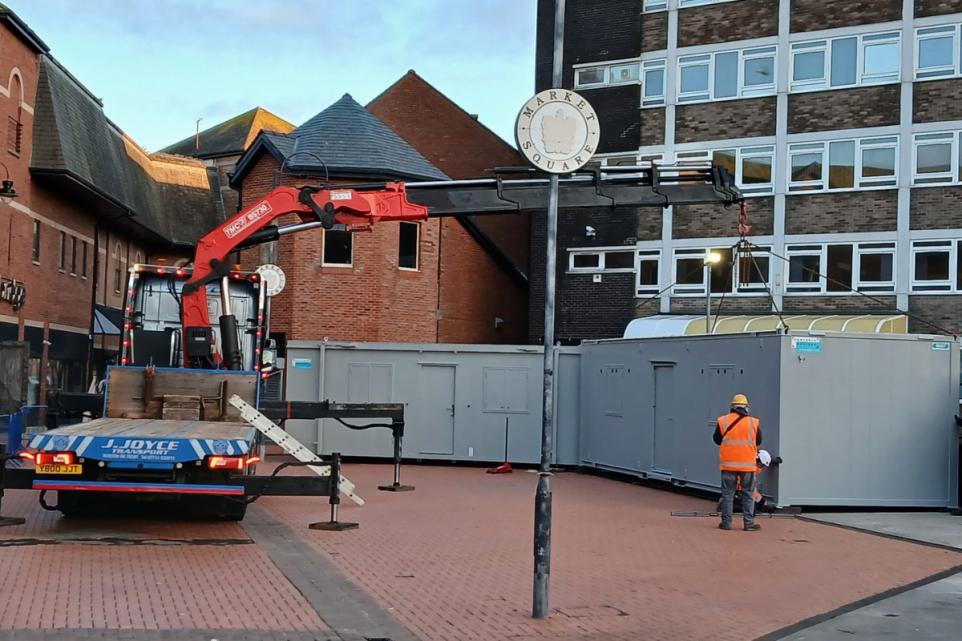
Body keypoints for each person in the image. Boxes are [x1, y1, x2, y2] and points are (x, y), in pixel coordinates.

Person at [713, 393, 762, 531]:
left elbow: (716, 439)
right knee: (748, 494)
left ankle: (726, 523)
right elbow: (758, 441)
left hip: (728, 464)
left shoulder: (723, 421)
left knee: (728, 494)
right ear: (746, 407)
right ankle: (749, 524)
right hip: (747, 466)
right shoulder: (753, 422)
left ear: (732, 407)